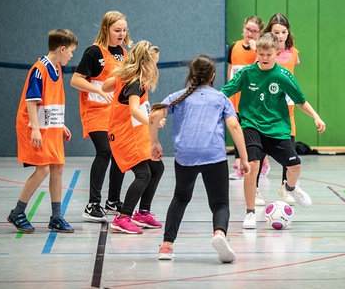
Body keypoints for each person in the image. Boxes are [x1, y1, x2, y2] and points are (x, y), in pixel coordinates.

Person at [221, 32, 326, 229]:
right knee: (252, 167)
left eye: (269, 54)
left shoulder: (283, 75)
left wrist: (316, 117)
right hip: (251, 125)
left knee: (295, 166)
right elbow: (225, 92)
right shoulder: (247, 73)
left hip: (277, 128)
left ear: (276, 53)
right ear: (257, 54)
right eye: (261, 54)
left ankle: (291, 188)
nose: (264, 58)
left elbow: (300, 101)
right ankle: (250, 213)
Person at [150, 55, 250, 263]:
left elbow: (154, 116)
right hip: (213, 153)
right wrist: (244, 158)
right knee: (220, 202)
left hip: (185, 154)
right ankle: (219, 234)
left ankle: (167, 246)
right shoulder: (221, 98)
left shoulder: (178, 96)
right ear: (213, 76)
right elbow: (234, 126)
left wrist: (154, 143)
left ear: (191, 75)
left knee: (180, 198)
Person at [8, 29, 78, 233]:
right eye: (71, 51)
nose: (72, 55)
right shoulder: (40, 69)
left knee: (57, 167)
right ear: (62, 48)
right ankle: (18, 212)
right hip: (32, 125)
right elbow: (32, 101)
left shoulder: (58, 68)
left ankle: (56, 217)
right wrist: (36, 129)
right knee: (43, 169)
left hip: (49, 125)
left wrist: (59, 124)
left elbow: (50, 102)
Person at [71, 10, 131, 222]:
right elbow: (76, 80)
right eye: (117, 30)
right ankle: (92, 204)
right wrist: (98, 90)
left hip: (116, 113)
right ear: (106, 29)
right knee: (104, 151)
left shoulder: (123, 53)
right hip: (95, 111)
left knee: (119, 154)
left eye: (124, 30)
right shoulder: (93, 52)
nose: (122, 33)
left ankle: (113, 201)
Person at [102, 40, 165, 234]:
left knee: (157, 167)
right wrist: (151, 121)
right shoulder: (136, 82)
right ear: (144, 61)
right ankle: (123, 218)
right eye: (153, 62)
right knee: (143, 174)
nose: (155, 66)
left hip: (132, 133)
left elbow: (105, 87)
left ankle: (142, 213)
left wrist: (118, 77)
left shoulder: (129, 77)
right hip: (123, 135)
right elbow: (133, 110)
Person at [259, 13, 301, 206]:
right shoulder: (264, 54)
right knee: (260, 152)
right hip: (267, 107)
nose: (281, 35)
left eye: (284, 31)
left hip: (287, 107)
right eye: (276, 32)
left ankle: (285, 186)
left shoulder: (294, 53)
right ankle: (256, 188)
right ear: (269, 32)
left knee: (289, 144)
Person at [227, 16, 263, 182]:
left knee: (253, 131)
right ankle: (238, 165)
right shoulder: (234, 46)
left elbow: (261, 68)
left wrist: (256, 49)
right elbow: (231, 70)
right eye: (248, 29)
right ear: (243, 29)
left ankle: (261, 162)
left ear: (260, 33)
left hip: (252, 98)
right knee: (236, 128)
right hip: (235, 98)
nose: (250, 33)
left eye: (254, 31)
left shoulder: (260, 50)